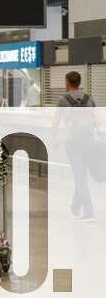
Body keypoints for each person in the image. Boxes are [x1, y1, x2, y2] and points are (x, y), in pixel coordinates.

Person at [58, 71, 97, 220]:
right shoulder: (89, 98)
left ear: (68, 82)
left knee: (80, 177)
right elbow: (98, 119)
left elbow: (55, 120)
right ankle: (75, 206)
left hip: (73, 143)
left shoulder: (64, 99)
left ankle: (89, 212)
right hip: (89, 142)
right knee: (81, 176)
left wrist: (54, 138)